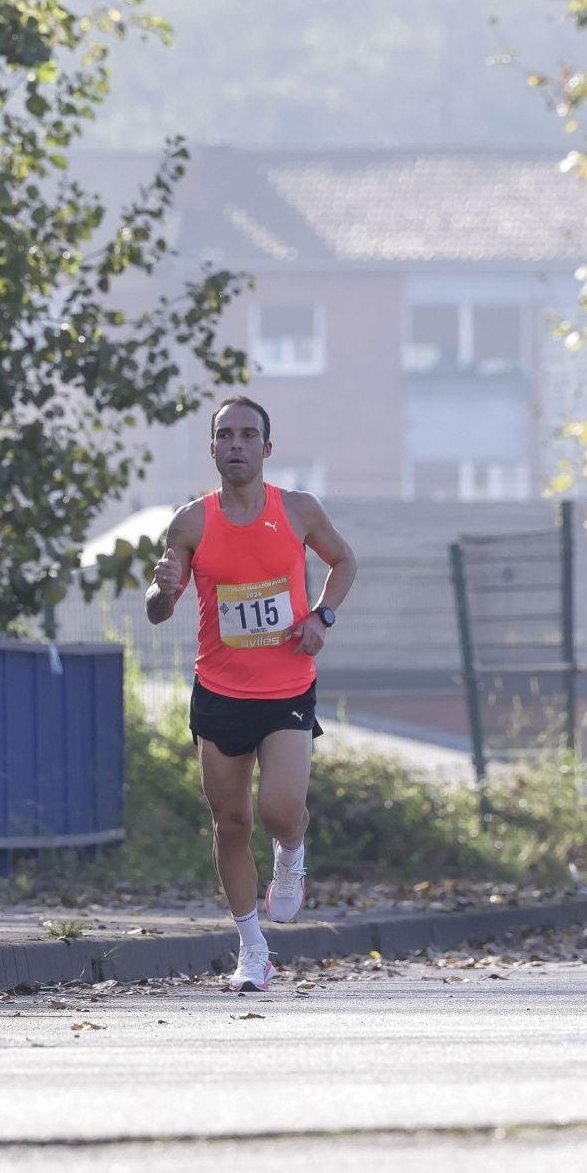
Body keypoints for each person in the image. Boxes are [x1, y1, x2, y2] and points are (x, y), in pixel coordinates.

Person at [146, 396, 358, 990]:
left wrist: (322, 618)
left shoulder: (297, 510)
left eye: (247, 435)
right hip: (218, 690)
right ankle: (252, 949)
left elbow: (344, 563)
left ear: (267, 448)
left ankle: (291, 855)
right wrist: (162, 589)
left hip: (288, 684)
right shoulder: (191, 522)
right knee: (230, 821)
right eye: (224, 435)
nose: (235, 444)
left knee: (279, 810)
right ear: (212, 448)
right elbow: (160, 610)